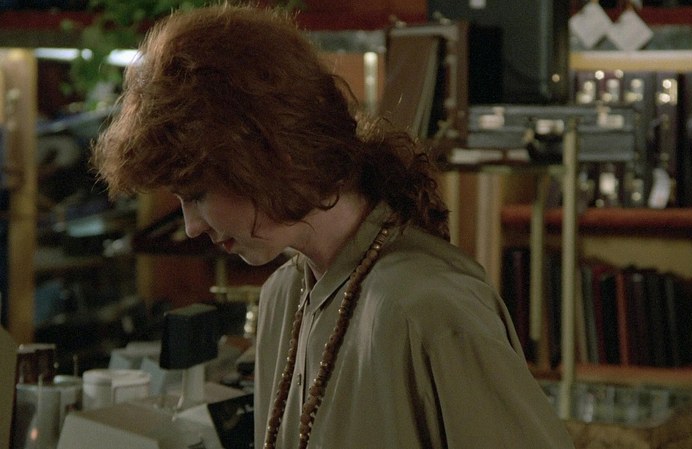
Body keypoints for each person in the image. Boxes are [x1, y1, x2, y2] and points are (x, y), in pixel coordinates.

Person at [91, 3, 575, 449]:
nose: (191, 226)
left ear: (263, 155)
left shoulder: (430, 307)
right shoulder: (283, 296)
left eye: (197, 193)